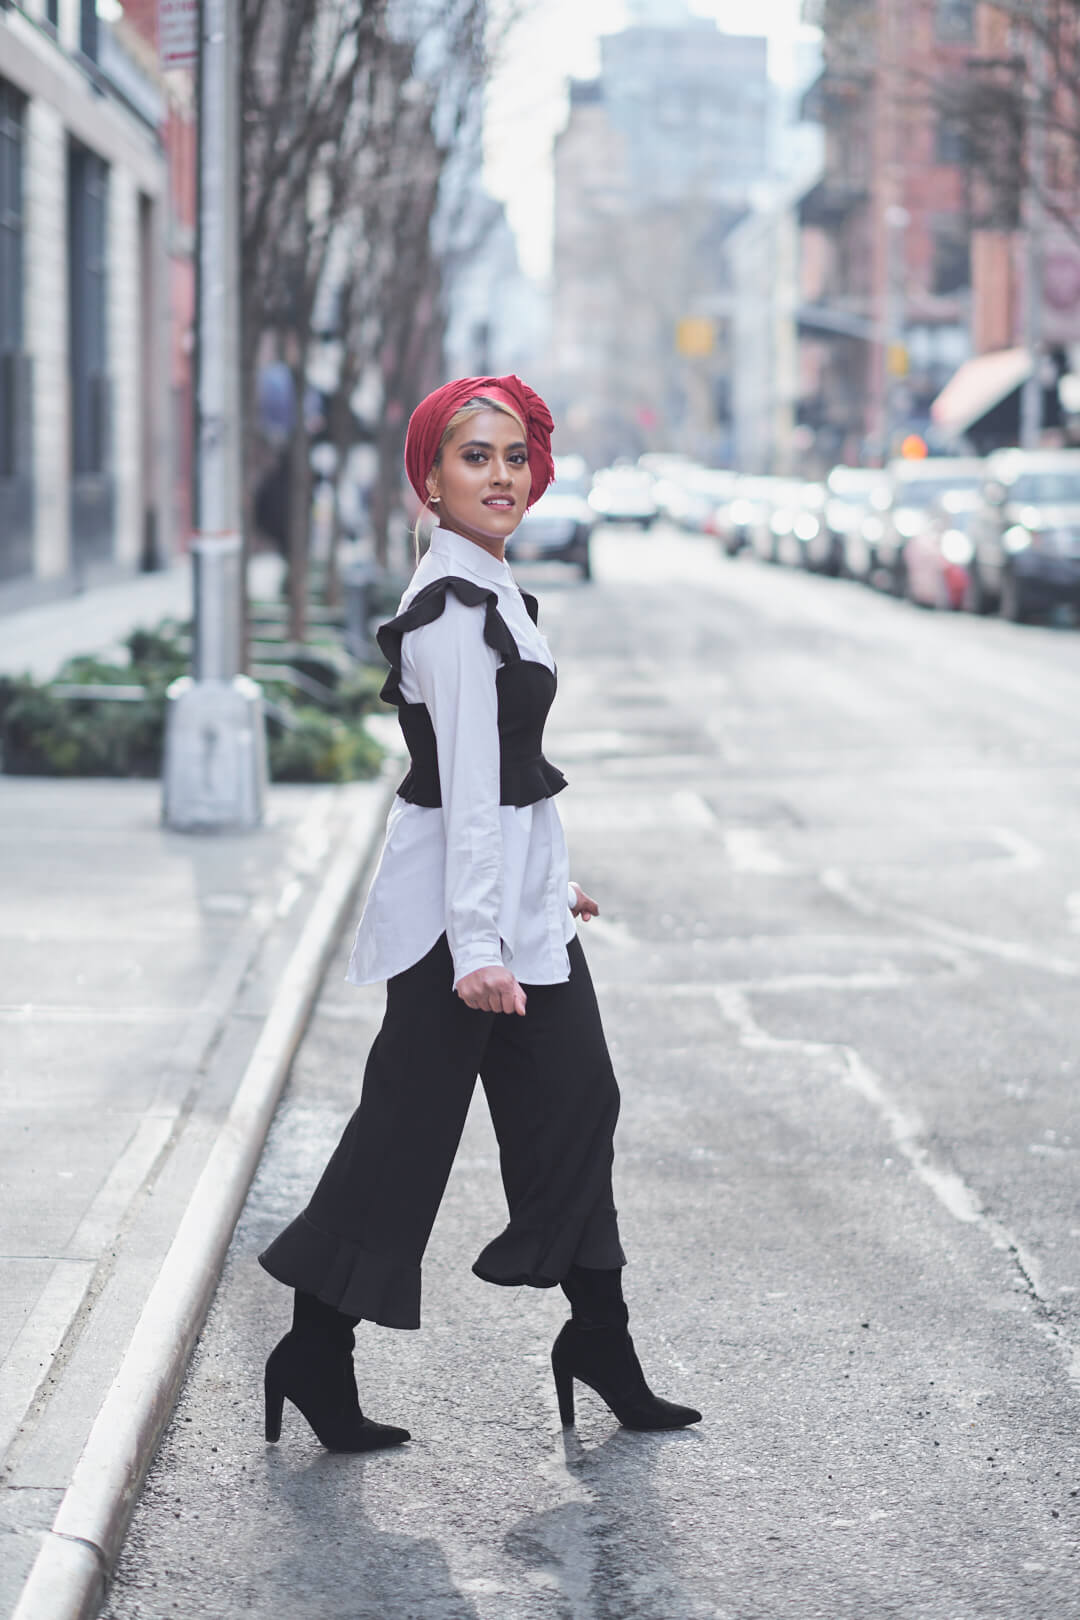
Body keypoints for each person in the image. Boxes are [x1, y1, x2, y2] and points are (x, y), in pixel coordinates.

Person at [258, 374, 701, 1451]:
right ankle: (315, 1348)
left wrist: (552, 886)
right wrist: (484, 945)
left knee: (575, 1107)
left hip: (509, 914)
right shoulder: (453, 608)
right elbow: (461, 789)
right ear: (431, 476)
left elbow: (515, 778)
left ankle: (599, 1338)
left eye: (514, 456)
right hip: (462, 934)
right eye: (474, 457)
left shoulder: (493, 586)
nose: (500, 476)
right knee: (404, 1139)